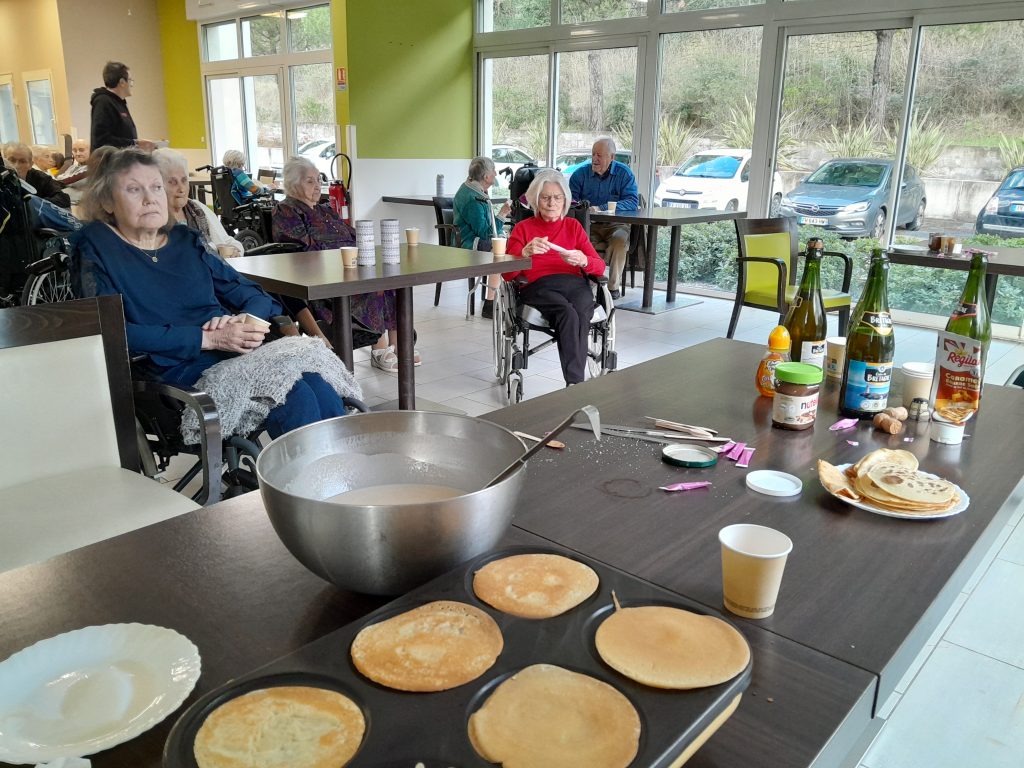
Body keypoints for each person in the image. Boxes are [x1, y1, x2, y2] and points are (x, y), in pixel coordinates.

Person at [73, 148, 358, 441]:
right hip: (171, 367)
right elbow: (110, 331)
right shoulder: (96, 247)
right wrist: (206, 338)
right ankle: (316, 469)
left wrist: (244, 322)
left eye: (156, 187)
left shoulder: (185, 241)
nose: (150, 198)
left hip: (230, 352)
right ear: (106, 201)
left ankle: (342, 466)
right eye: (134, 189)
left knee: (318, 383)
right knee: (294, 395)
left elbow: (255, 295)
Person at [153, 147, 333, 349]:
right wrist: (215, 250)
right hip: (207, 289)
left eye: (184, 180)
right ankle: (299, 341)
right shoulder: (155, 222)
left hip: (226, 276)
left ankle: (299, 342)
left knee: (264, 292)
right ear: (157, 185)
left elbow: (231, 242)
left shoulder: (197, 209)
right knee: (269, 289)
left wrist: (232, 249)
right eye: (172, 182)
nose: (181, 188)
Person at [505, 169, 605, 386]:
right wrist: (524, 253)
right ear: (535, 200)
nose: (552, 203)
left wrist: (583, 260)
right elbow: (507, 274)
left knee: (581, 311)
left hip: (575, 284)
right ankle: (576, 383)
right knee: (567, 313)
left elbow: (599, 268)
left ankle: (574, 384)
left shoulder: (573, 227)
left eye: (557, 197)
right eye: (546, 197)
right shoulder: (523, 228)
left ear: (565, 200)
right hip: (539, 286)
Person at [568, 137, 639, 299]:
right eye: (593, 154)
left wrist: (602, 207)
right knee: (578, 243)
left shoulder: (624, 174)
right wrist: (582, 207)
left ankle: (613, 288)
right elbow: (570, 202)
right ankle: (584, 285)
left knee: (619, 242)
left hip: (616, 224)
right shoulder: (580, 174)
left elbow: (632, 202)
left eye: (599, 155)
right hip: (588, 225)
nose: (595, 158)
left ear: (612, 157)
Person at [453, 156, 511, 320]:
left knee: (509, 244)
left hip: (473, 238)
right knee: (500, 251)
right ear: (486, 176)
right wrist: (502, 214)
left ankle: (500, 298)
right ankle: (490, 304)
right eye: (494, 171)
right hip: (468, 243)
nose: (496, 174)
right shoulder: (473, 198)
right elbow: (487, 232)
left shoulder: (473, 190)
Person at [90, 61, 156, 152]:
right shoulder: (103, 102)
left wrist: (136, 144)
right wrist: (135, 144)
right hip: (111, 159)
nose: (131, 85)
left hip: (122, 158)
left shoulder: (119, 103)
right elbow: (102, 140)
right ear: (122, 82)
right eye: (130, 80)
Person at [4, 142, 71, 208]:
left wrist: (34, 203)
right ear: (4, 161)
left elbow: (63, 199)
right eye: (11, 160)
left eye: (22, 161)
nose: (16, 166)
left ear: (31, 165)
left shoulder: (41, 178)